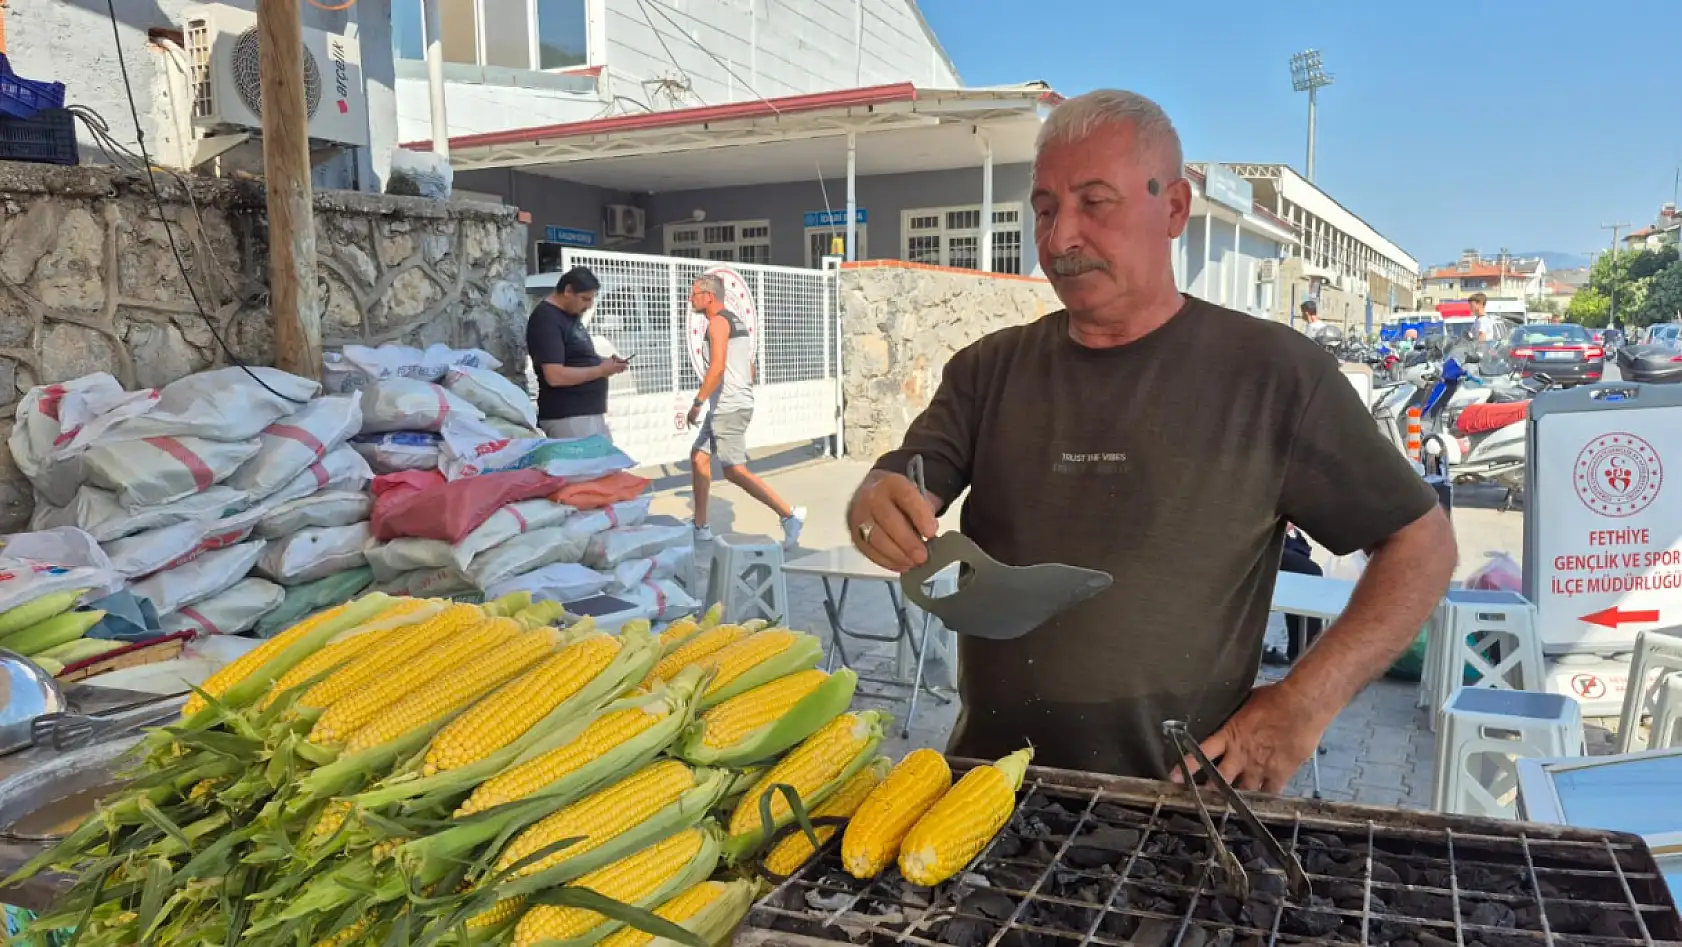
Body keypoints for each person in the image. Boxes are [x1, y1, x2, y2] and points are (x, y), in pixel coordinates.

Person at [844, 89, 1455, 789]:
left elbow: (1422, 544)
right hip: (989, 796)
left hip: (1183, 812)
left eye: (1093, 202)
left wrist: (1305, 700)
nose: (1060, 236)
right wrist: (874, 507)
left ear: (1174, 208)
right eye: (1045, 209)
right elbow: (896, 487)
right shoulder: (990, 369)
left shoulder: (1273, 374)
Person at [686, 274, 806, 549]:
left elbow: (716, 369)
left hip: (728, 408)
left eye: (694, 294)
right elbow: (749, 367)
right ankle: (700, 526)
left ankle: (789, 515)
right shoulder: (734, 321)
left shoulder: (717, 323)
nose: (691, 299)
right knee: (699, 458)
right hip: (730, 404)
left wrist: (697, 403)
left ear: (709, 296)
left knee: (734, 470)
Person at [526, 266, 626, 439]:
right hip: (568, 415)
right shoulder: (547, 319)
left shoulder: (570, 316)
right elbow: (554, 375)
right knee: (586, 466)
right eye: (584, 299)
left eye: (591, 300)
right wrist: (600, 370)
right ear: (568, 290)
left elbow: (577, 359)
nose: (588, 306)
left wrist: (605, 363)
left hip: (586, 413)